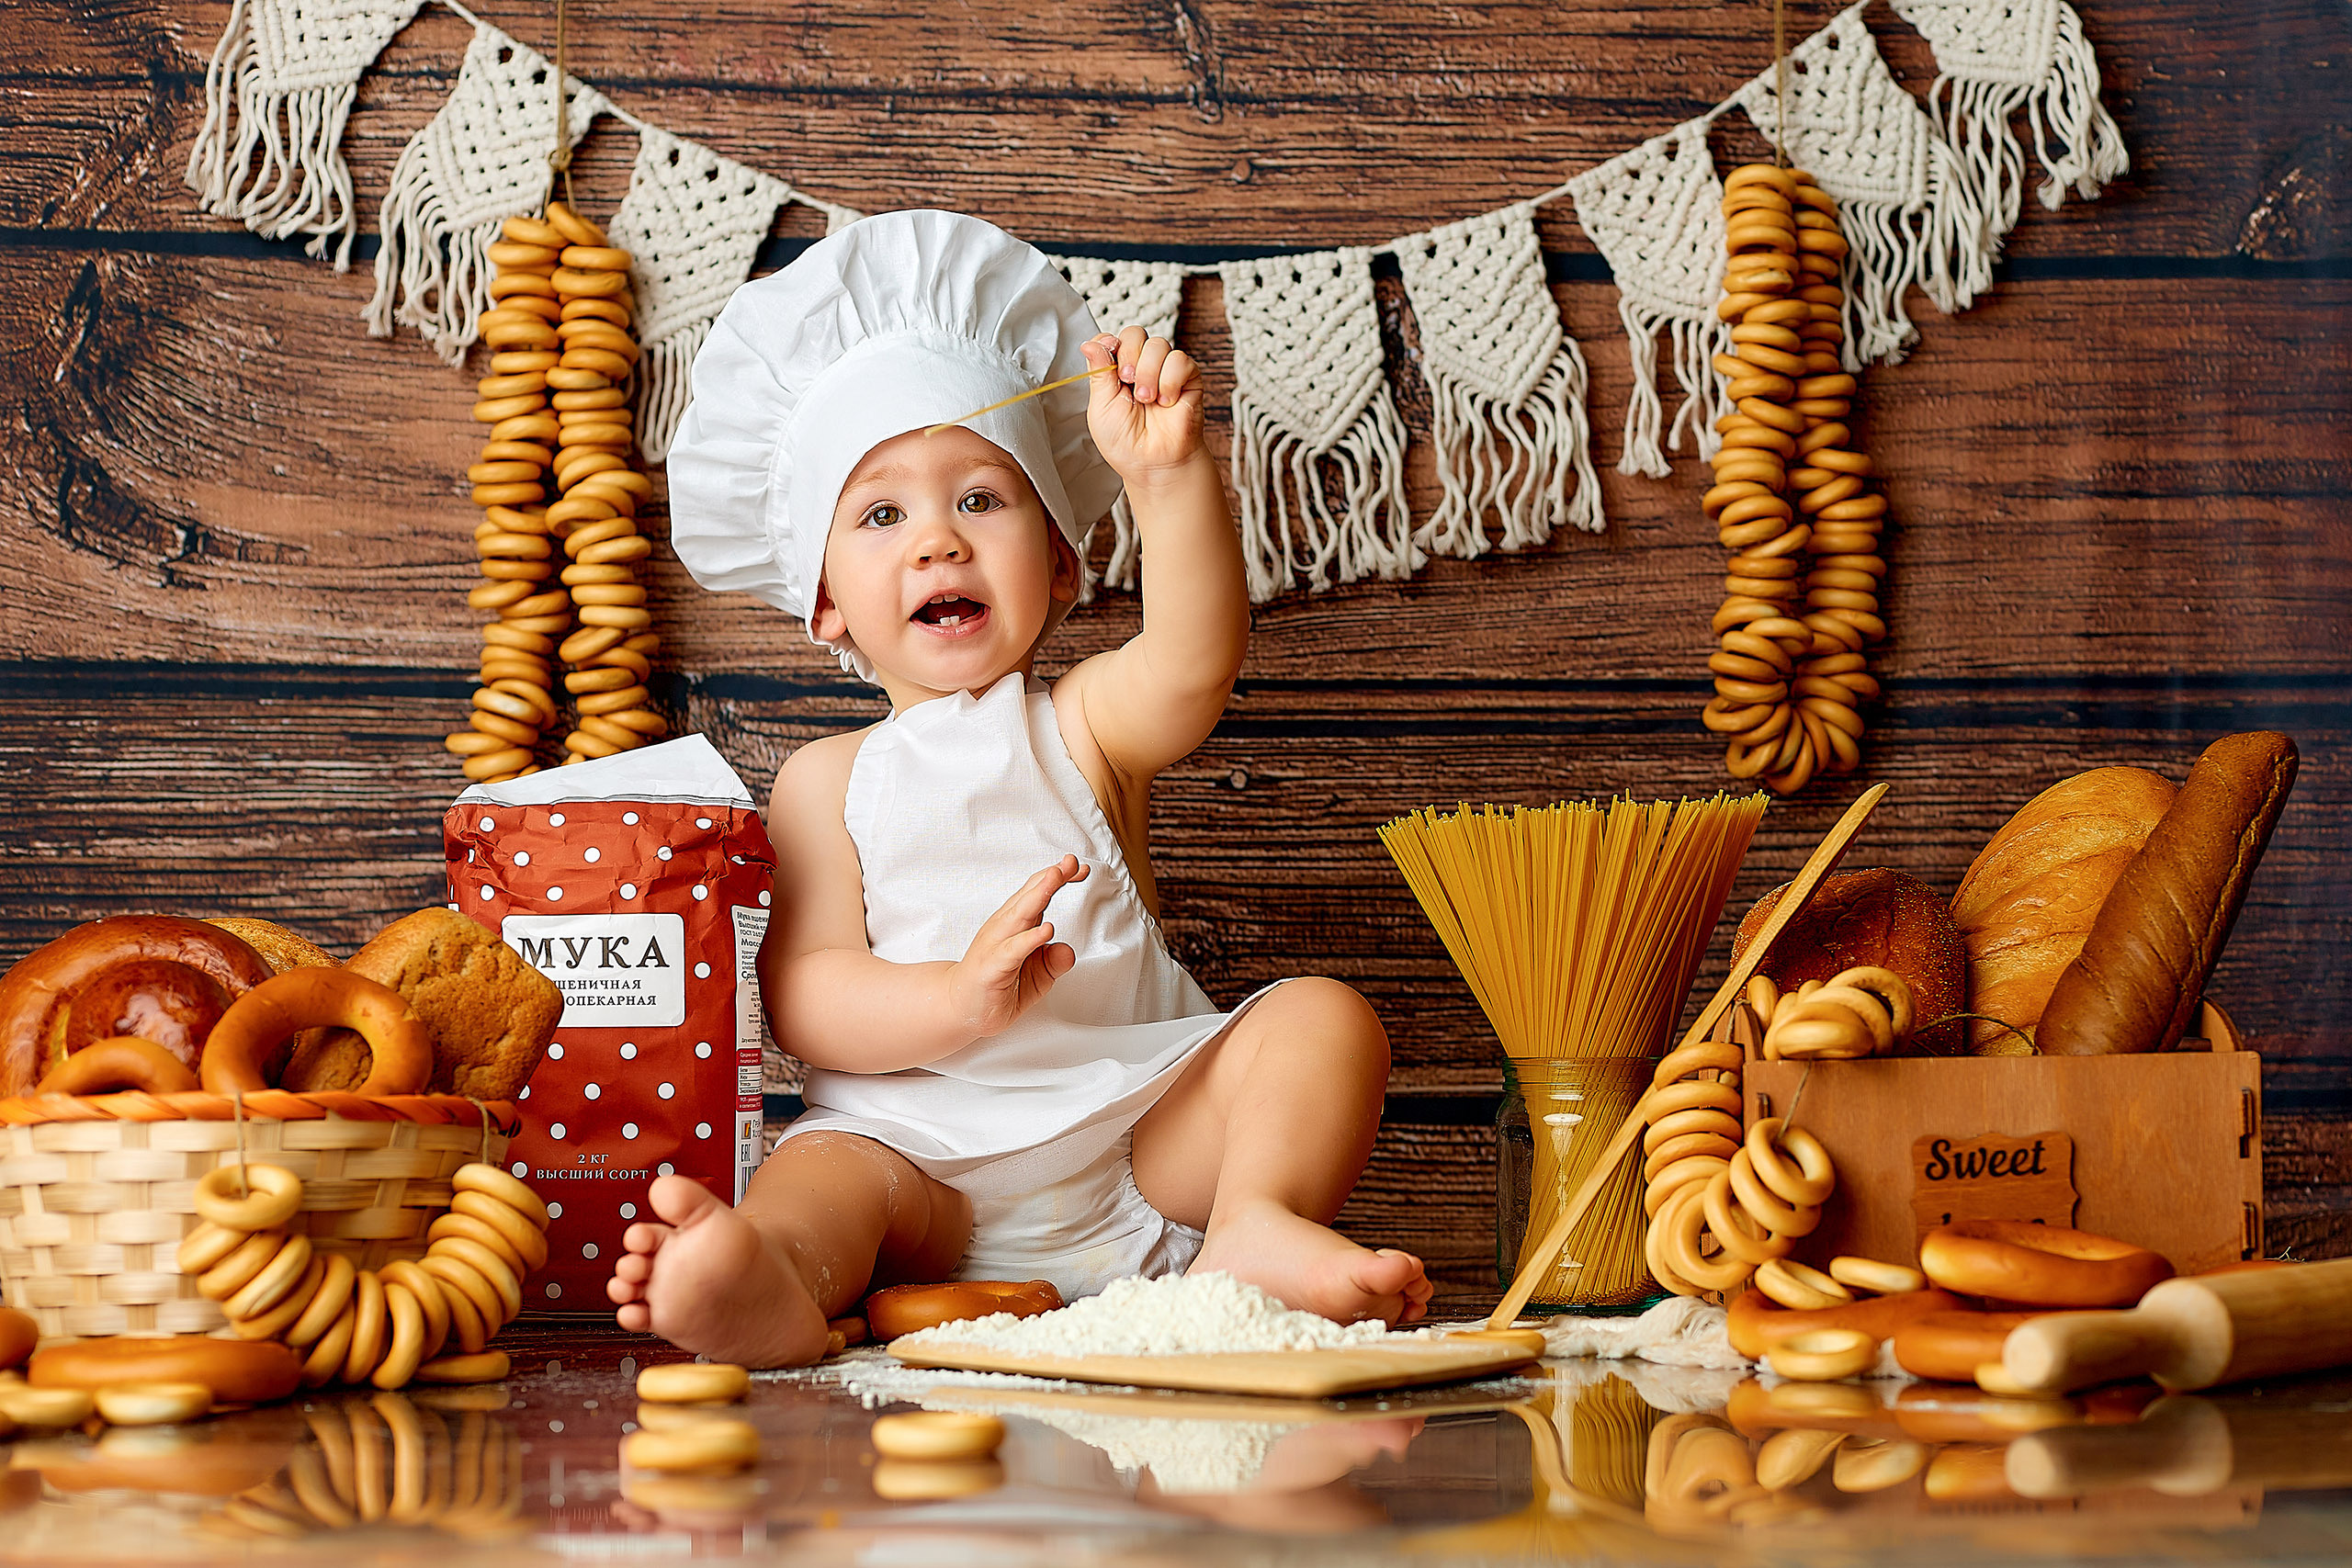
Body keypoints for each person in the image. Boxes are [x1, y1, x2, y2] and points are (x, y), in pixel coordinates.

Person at [609, 209, 1428, 1367]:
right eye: (883, 513)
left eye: (981, 500)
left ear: (1057, 561)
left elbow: (1195, 659)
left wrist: (1166, 473)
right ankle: (773, 1274)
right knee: (817, 1175)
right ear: (826, 600)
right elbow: (807, 994)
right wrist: (958, 1000)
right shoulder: (824, 779)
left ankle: (1248, 1225)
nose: (939, 542)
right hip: (916, 1160)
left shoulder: (1082, 724)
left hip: (1139, 1138)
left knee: (1322, 1022)